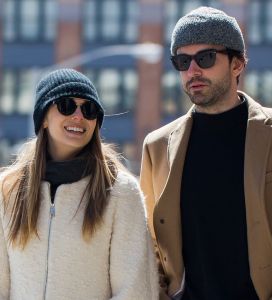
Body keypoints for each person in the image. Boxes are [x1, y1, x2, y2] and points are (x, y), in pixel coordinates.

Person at [140, 6, 272, 300]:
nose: (193, 71)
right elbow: (150, 245)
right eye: (183, 61)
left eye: (205, 58)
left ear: (237, 64)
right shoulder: (157, 147)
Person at [0, 68, 158, 300]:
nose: (78, 116)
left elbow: (134, 290)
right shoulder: (8, 189)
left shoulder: (120, 192)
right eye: (66, 105)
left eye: (89, 109)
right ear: (43, 117)